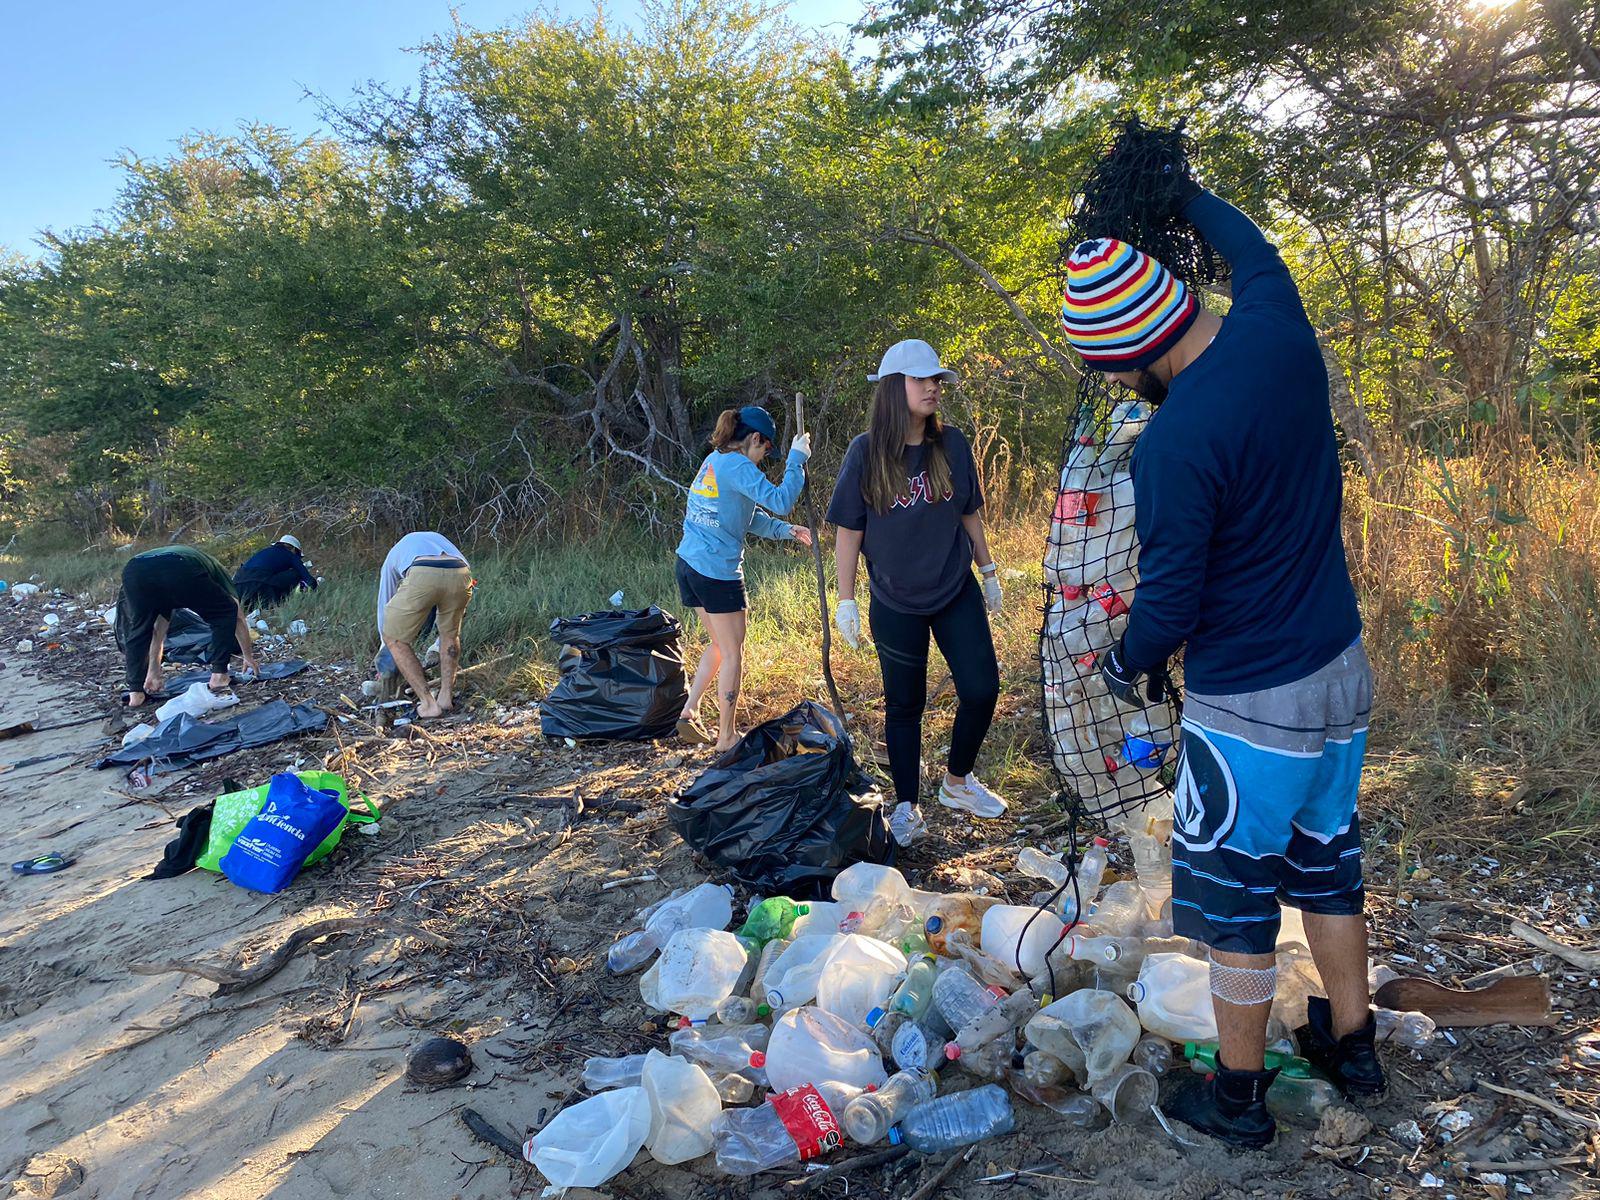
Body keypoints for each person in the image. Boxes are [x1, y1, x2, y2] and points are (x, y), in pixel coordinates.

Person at [1057, 180, 1382, 1148]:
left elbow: (1168, 603)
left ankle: (1235, 1100)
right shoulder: (1277, 330)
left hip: (1248, 706)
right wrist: (1173, 185)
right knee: (1326, 864)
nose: (1121, 389)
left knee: (1238, 906)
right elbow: (1249, 242)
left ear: (1141, 352)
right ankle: (1353, 1046)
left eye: (1115, 372)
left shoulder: (1175, 442)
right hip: (1339, 669)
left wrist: (1126, 665)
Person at [826, 339, 1006, 849]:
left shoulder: (952, 445)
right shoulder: (865, 452)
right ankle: (907, 805)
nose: (933, 387)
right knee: (904, 704)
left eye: (937, 379)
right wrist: (845, 600)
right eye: (921, 378)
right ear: (892, 387)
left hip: (954, 590)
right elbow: (848, 532)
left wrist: (988, 568)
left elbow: (968, 510)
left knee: (981, 687)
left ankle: (958, 782)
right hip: (894, 601)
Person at [674, 405, 812, 750]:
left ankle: (689, 711)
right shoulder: (738, 465)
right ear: (754, 439)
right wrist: (796, 461)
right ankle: (726, 737)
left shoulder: (715, 461)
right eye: (766, 449)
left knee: (721, 646)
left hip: (689, 565)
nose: (765, 457)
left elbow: (745, 517)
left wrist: (785, 530)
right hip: (716, 573)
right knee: (734, 652)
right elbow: (781, 500)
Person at [117, 544, 259, 707]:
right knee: (225, 611)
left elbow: (158, 629)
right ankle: (219, 675)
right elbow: (237, 616)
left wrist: (154, 670)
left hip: (134, 570)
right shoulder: (218, 572)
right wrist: (248, 657)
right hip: (177, 566)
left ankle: (136, 692)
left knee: (140, 629)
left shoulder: (169, 568)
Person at [376, 531, 472, 719]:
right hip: (461, 572)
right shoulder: (440, 540)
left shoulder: (394, 554)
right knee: (450, 635)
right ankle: (445, 698)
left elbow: (385, 603)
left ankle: (428, 704)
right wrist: (438, 644)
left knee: (394, 638)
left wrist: (385, 645)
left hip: (423, 572)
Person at [233, 533, 318, 609]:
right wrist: (314, 590)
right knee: (296, 573)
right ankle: (281, 602)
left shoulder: (264, 552)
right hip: (260, 587)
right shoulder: (290, 555)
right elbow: (308, 579)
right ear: (293, 549)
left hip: (237, 590)